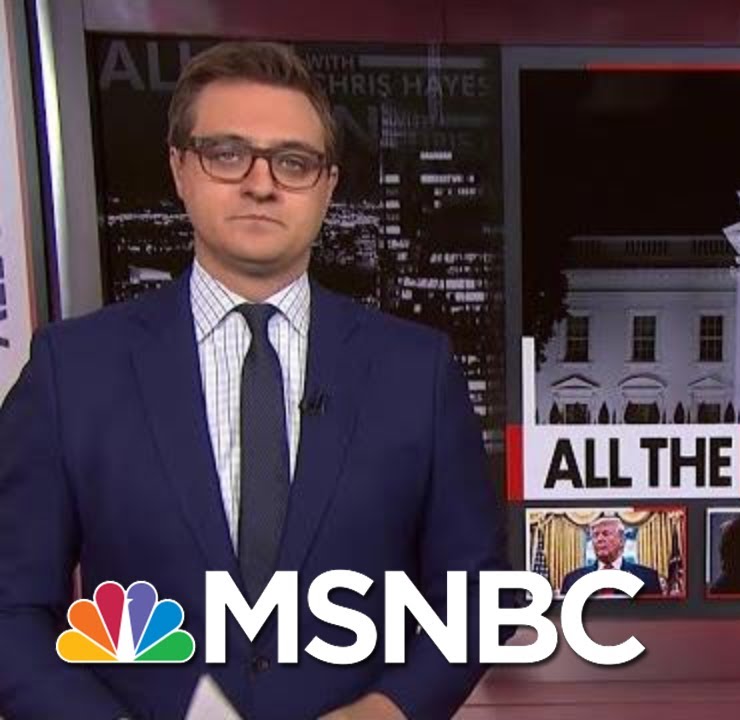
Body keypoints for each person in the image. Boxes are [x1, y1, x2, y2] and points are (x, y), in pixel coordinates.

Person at [0, 41, 508, 720]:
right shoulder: (73, 369)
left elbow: (474, 595)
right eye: (227, 153)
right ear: (180, 167)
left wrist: (390, 709)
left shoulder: (417, 371)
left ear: (327, 186)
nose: (261, 184)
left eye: (293, 162)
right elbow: (11, 607)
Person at [559, 516, 662, 596]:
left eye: (606, 534)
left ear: (622, 541)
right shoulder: (573, 580)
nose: (599, 539)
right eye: (595, 535)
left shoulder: (647, 578)